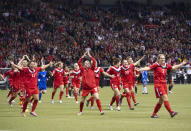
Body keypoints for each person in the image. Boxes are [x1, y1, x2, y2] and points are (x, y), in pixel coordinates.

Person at [137, 54, 188, 118]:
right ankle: (171, 112)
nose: (163, 59)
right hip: (158, 84)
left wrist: (182, 64)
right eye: (161, 58)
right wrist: (141, 69)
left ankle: (154, 114)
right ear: (158, 59)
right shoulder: (156, 64)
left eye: (164, 58)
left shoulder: (166, 65)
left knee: (161, 101)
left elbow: (173, 67)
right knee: (165, 98)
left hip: (164, 84)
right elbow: (148, 68)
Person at [77, 50, 104, 115]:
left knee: (97, 97)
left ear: (90, 64)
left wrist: (89, 55)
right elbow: (78, 62)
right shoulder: (82, 69)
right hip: (85, 88)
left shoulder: (92, 68)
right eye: (85, 63)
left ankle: (101, 111)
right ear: (84, 64)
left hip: (93, 86)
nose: (87, 64)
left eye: (88, 63)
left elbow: (94, 61)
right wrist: (82, 57)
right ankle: (80, 111)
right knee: (82, 100)